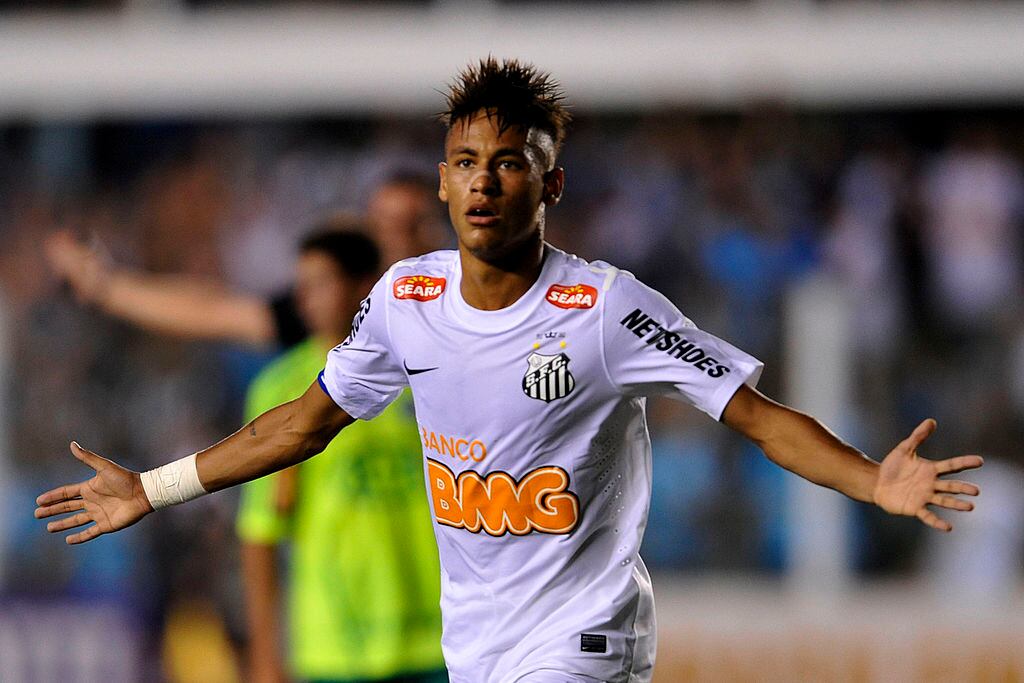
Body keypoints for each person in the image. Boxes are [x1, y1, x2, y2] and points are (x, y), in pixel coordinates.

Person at [36, 59, 984, 683]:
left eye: (511, 163)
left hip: (587, 634)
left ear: (552, 183)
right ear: (443, 181)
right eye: (466, 162)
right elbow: (300, 422)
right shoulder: (405, 300)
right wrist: (151, 488)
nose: (486, 180)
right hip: (475, 646)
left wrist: (873, 479)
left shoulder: (607, 308)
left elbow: (757, 414)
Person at [236, 228, 446, 683]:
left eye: (322, 281)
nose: (305, 297)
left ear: (364, 287)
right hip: (334, 648)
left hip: (437, 638)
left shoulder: (426, 374)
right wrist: (265, 654)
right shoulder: (280, 389)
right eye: (302, 284)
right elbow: (261, 532)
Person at [42, 172, 440, 349]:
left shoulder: (472, 299)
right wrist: (109, 289)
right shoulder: (350, 317)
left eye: (411, 225)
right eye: (383, 226)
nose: (396, 241)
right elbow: (217, 312)